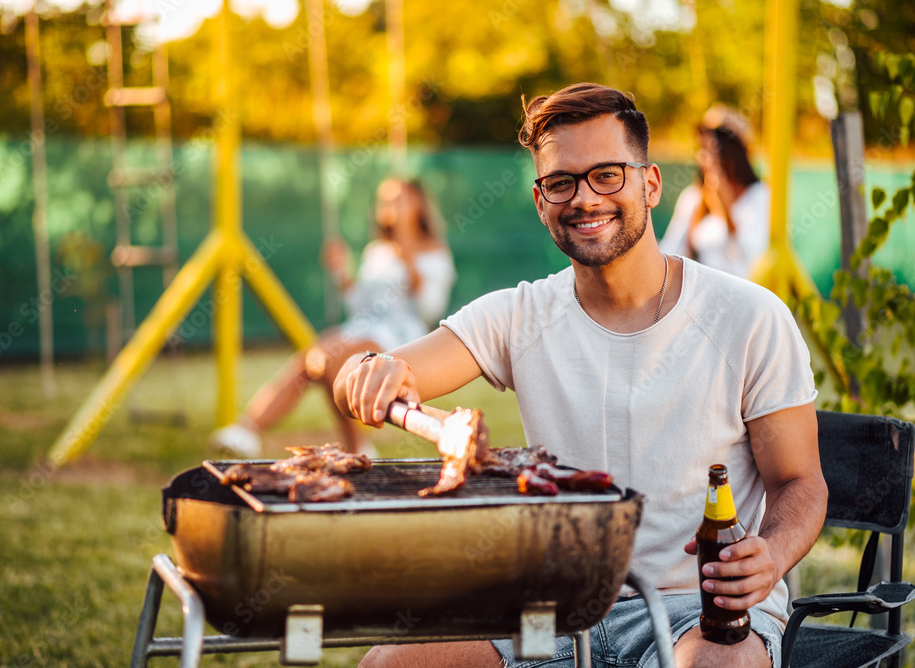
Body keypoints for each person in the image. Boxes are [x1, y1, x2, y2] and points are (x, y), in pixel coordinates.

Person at [333, 83, 827, 668]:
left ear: (650, 183)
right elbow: (375, 375)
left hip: (698, 606)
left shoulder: (750, 316)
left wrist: (768, 555)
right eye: (562, 182)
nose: (585, 198)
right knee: (388, 665)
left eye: (608, 175)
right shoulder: (520, 315)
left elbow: (801, 484)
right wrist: (368, 370)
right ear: (542, 201)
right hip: (554, 610)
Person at [212, 177, 455, 457]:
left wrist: (407, 255)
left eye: (398, 199)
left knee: (327, 358)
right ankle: (247, 429)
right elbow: (359, 306)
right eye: (385, 200)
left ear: (417, 206)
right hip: (363, 328)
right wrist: (342, 273)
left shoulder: (435, 254)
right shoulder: (377, 252)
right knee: (313, 359)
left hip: (402, 338)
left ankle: (357, 446)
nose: (390, 206)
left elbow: (430, 310)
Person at [660, 105, 770, 279]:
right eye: (702, 147)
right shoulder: (693, 197)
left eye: (714, 146)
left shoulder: (760, 195)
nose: (705, 157)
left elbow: (752, 259)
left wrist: (725, 210)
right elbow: (671, 251)